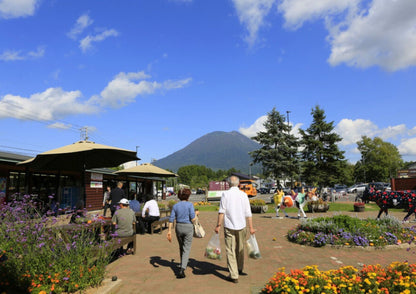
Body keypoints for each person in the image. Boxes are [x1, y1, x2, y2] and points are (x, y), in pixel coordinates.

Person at [215, 176, 255, 284]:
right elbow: (248, 213)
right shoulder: (243, 195)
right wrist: (251, 227)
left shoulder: (225, 194)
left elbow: (221, 211)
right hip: (242, 225)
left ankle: (233, 274)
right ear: (238, 184)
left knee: (230, 249)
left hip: (229, 226)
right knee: (240, 247)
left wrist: (218, 225)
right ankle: (240, 268)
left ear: (228, 184)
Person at [167, 188, 198, 279]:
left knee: (181, 247)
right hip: (188, 227)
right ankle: (182, 269)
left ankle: (182, 264)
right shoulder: (190, 205)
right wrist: (196, 214)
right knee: (186, 248)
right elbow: (193, 218)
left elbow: (171, 219)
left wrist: (169, 231)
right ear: (188, 196)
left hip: (178, 227)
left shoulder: (176, 206)